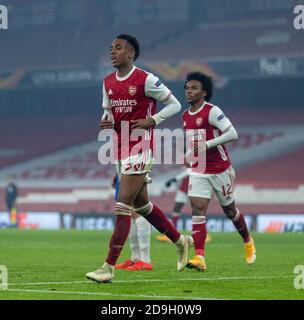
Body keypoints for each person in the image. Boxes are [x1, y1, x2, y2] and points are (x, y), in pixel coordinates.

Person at [86, 34, 193, 283]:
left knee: (122, 205)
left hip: (141, 148)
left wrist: (152, 120)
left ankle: (107, 268)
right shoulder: (108, 82)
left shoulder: (146, 79)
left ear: (131, 53)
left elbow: (175, 104)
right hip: (119, 149)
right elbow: (109, 115)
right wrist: (107, 122)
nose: (113, 52)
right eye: (111, 48)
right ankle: (181, 241)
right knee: (142, 206)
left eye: (119, 48)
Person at [183, 71, 256, 271]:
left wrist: (208, 144)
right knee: (197, 209)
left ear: (204, 93)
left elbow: (233, 133)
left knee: (229, 210)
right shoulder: (185, 116)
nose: (189, 91)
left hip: (220, 169)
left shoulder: (212, 111)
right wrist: (188, 154)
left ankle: (248, 241)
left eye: (194, 88)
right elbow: (192, 142)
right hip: (199, 169)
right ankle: (199, 257)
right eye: (187, 88)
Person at [157, 169, 211, 243]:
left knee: (198, 211)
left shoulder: (198, 161)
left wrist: (174, 179)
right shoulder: (189, 160)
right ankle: (171, 235)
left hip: (194, 189)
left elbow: (189, 171)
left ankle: (204, 235)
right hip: (184, 189)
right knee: (176, 209)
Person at [112, 175, 153, 271]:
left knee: (138, 209)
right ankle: (136, 258)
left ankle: (145, 260)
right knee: (129, 210)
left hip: (135, 168)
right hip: (124, 170)